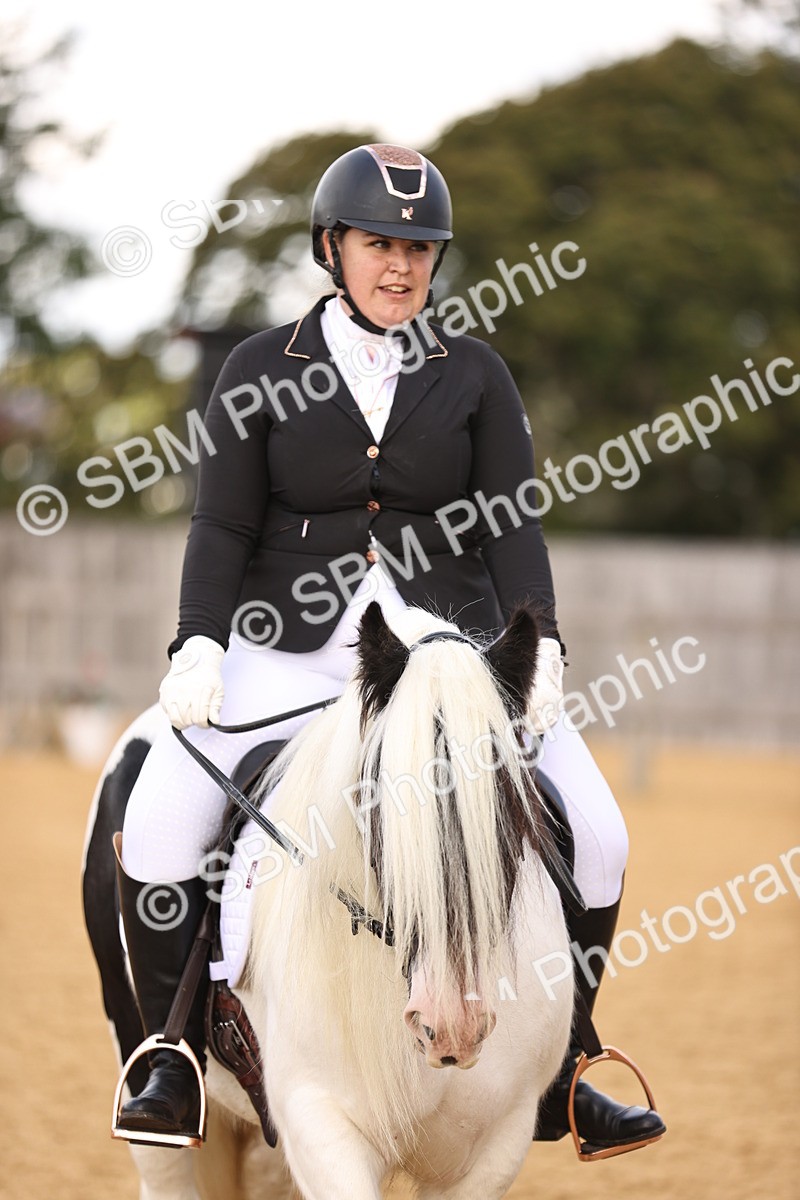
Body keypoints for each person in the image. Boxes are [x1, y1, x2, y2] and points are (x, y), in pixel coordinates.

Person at [114, 143, 666, 1155]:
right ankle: (166, 1055)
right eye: (379, 243)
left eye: (419, 248)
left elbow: (510, 523)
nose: (401, 265)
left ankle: (568, 1064)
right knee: (154, 827)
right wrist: (198, 642)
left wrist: (537, 647)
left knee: (600, 832)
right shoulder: (256, 369)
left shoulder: (474, 376)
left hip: (442, 652)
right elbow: (221, 528)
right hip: (286, 652)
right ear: (333, 247)